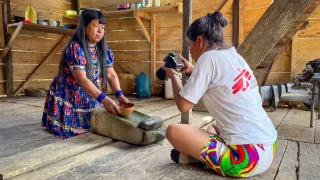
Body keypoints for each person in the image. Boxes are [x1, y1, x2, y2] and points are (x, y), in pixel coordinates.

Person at [163, 11, 277, 177]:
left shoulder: (207, 58)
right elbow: (221, 78)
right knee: (213, 126)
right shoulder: (234, 56)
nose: (190, 50)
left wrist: (173, 74)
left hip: (246, 160)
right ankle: (199, 157)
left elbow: (184, 105)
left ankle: (199, 158)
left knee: (173, 131)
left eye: (190, 45)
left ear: (200, 40)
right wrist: (192, 69)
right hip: (268, 148)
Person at [41, 9, 130, 138]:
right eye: (96, 26)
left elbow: (111, 74)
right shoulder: (75, 48)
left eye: (103, 27)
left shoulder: (104, 50)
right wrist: (104, 99)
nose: (100, 31)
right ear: (84, 27)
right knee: (74, 129)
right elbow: (81, 80)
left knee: (96, 123)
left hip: (88, 92)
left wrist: (119, 94)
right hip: (69, 93)